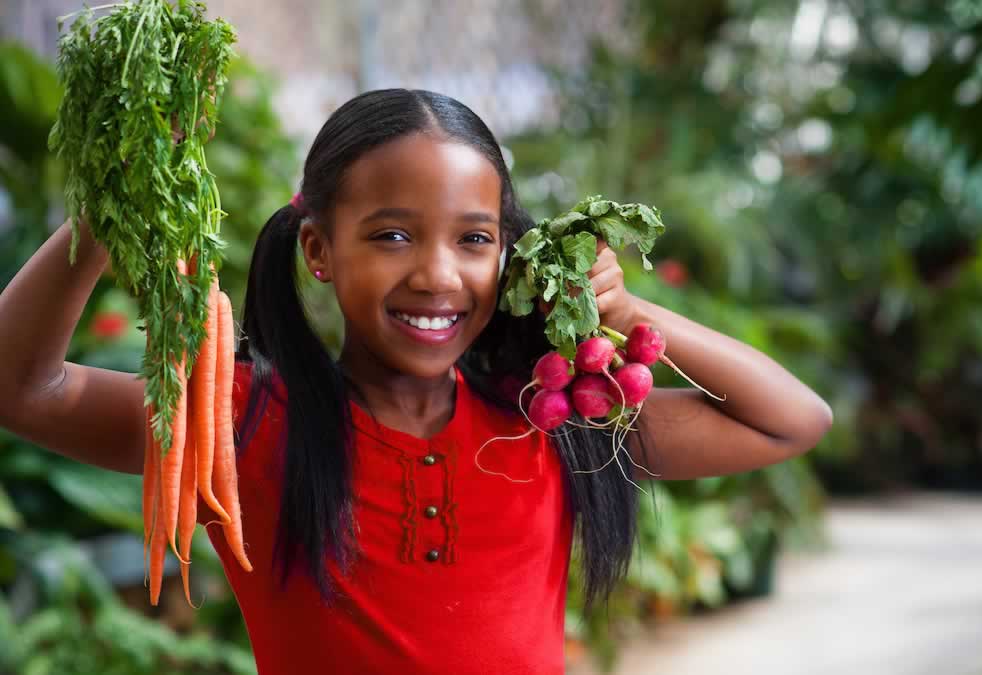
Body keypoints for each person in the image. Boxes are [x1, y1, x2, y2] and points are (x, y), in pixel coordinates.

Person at [0, 88, 833, 674]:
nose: (439, 274)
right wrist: (103, 218)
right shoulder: (245, 425)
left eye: (474, 239)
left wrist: (623, 305)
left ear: (509, 255)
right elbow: (22, 389)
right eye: (392, 235)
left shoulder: (548, 424)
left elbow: (791, 420)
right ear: (318, 251)